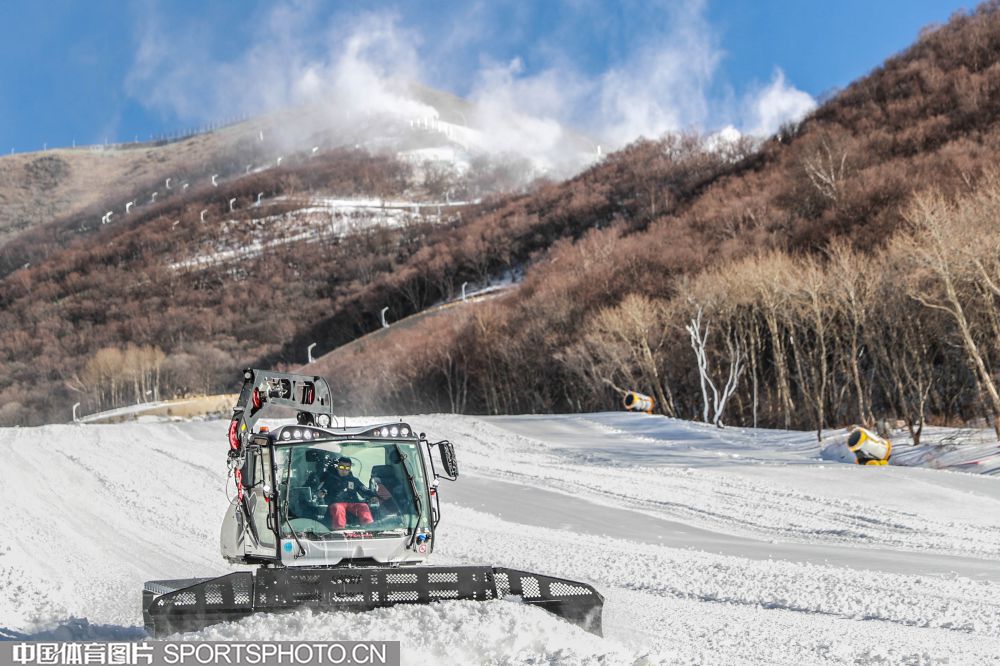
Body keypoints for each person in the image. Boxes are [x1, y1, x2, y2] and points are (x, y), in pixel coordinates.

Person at [316, 457, 377, 529]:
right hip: (337, 503)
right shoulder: (330, 479)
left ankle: (369, 526)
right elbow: (324, 488)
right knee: (338, 508)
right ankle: (339, 528)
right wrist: (322, 493)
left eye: (347, 468)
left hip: (353, 504)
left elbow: (364, 489)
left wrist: (372, 496)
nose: (344, 470)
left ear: (350, 468)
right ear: (338, 467)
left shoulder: (354, 480)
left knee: (363, 506)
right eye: (342, 467)